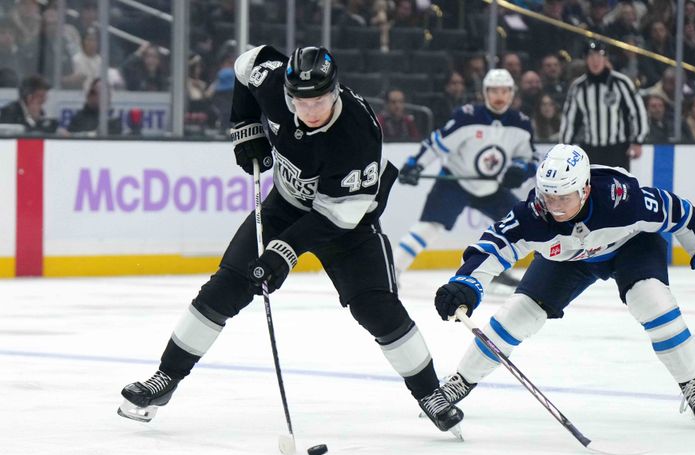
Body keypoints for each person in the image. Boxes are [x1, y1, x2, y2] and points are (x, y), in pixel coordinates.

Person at [117, 45, 463, 435]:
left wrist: (283, 253)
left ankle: (430, 393)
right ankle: (165, 378)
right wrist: (245, 126)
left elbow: (337, 216)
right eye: (301, 101)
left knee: (376, 308)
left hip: (349, 220)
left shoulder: (357, 133)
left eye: (319, 101)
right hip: (286, 204)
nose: (310, 111)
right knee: (225, 287)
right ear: (288, 92)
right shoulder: (275, 84)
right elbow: (246, 63)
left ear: (336, 91)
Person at [432, 144, 695, 430]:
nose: (553, 206)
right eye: (547, 195)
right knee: (517, 315)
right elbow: (492, 247)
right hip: (569, 258)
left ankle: (692, 383)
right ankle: (461, 380)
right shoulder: (531, 216)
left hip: (630, 247)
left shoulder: (623, 200)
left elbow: (683, 214)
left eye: (563, 197)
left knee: (653, 301)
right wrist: (465, 284)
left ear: (585, 190)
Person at [393, 68, 538, 289]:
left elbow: (530, 158)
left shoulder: (521, 123)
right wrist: (415, 164)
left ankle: (493, 270)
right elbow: (438, 143)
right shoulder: (468, 116)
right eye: (494, 91)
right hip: (455, 180)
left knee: (522, 223)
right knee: (430, 227)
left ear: (512, 93)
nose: (500, 97)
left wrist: (519, 169)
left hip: (491, 186)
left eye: (505, 91)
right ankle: (392, 270)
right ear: (484, 93)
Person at [560, 40, 648, 170]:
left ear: (606, 58)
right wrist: (564, 148)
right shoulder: (578, 87)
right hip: (590, 150)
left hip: (617, 149)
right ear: (585, 59)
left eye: (599, 55)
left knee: (619, 188)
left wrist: (638, 141)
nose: (595, 60)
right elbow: (569, 120)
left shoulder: (621, 83)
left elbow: (637, 111)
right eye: (591, 56)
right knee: (592, 188)